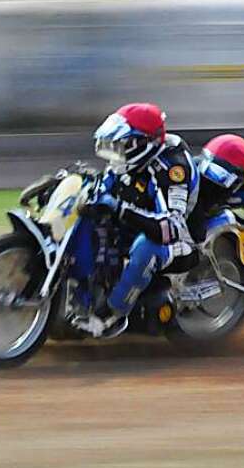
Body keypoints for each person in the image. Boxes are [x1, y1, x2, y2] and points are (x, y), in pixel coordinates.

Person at [73, 102, 199, 338]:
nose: (115, 154)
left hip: (179, 240)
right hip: (138, 222)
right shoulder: (127, 163)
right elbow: (104, 190)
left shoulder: (171, 169)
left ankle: (112, 313)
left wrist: (121, 210)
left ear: (143, 144)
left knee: (146, 248)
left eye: (121, 147)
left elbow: (170, 228)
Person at [189, 133, 244, 240]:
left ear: (238, 182)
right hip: (185, 222)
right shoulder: (187, 174)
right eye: (208, 169)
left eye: (220, 176)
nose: (211, 181)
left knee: (227, 219)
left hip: (210, 224)